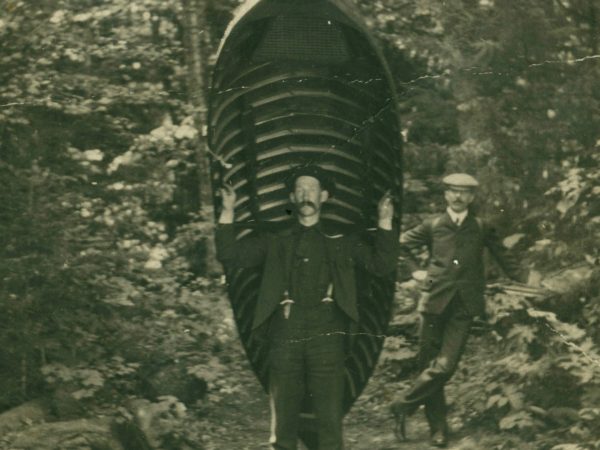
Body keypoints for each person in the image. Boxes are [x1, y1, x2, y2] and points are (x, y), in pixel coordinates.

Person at [215, 165, 398, 450]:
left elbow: (382, 265)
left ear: (324, 196)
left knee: (329, 415)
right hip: (285, 330)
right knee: (284, 415)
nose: (305, 194)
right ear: (292, 198)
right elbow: (230, 254)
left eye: (311, 189)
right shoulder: (275, 240)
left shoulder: (343, 241)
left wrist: (385, 221)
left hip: (328, 332)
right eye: (300, 189)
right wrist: (227, 212)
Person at [391, 173, 530, 448]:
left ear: (472, 197)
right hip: (433, 303)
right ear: (445, 195)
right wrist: (416, 272)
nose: (458, 197)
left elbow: (505, 256)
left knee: (445, 366)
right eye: (453, 191)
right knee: (430, 364)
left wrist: (529, 279)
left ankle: (401, 405)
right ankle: (438, 429)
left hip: (464, 305)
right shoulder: (433, 225)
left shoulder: (480, 226)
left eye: (464, 193)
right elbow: (401, 245)